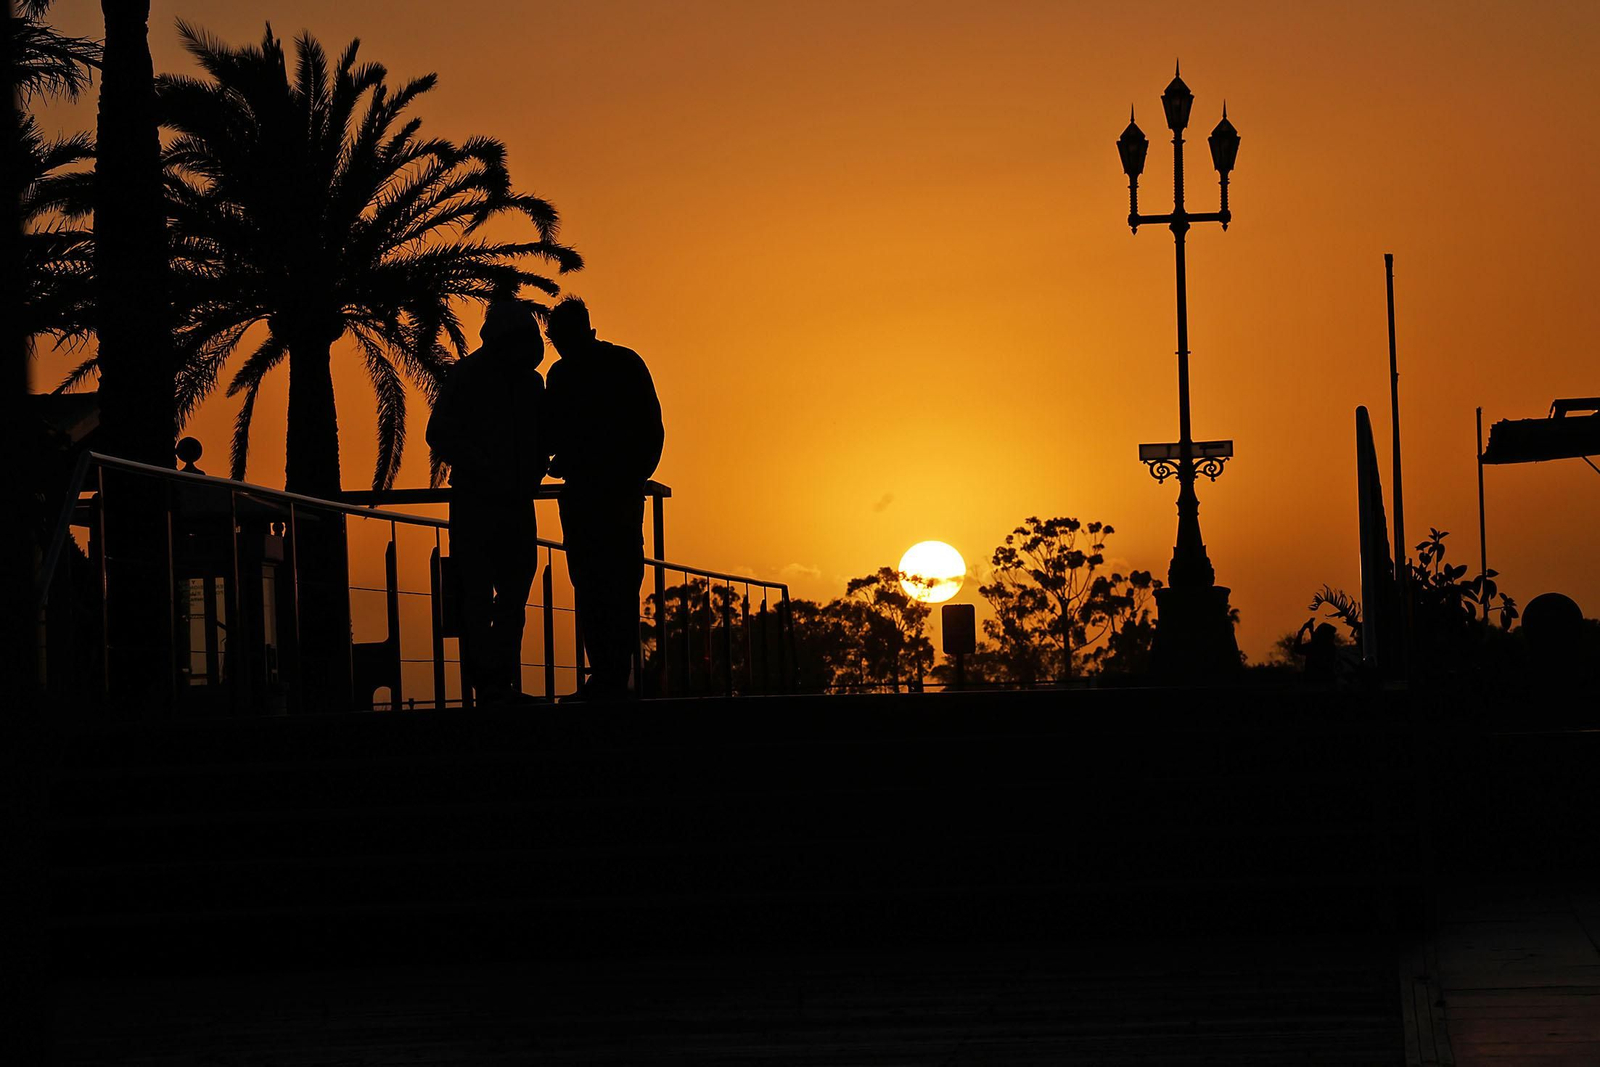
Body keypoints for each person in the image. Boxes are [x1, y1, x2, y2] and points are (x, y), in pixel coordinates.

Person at [426, 298, 547, 704]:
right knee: (477, 596)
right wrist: (480, 463)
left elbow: (541, 435)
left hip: (517, 502)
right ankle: (488, 684)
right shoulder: (468, 375)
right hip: (476, 503)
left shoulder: (531, 384)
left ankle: (501, 682)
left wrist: (537, 466)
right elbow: (438, 432)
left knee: (513, 597)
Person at [544, 296, 663, 699]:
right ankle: (609, 675)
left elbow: (649, 431)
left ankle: (611, 676)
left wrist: (630, 477)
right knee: (602, 583)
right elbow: (651, 430)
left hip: (606, 494)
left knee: (606, 583)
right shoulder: (617, 365)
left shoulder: (583, 371)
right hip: (598, 494)